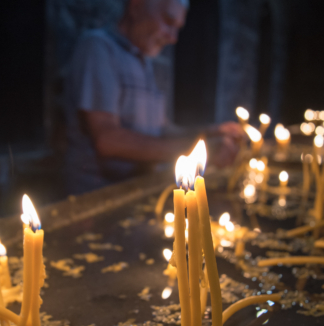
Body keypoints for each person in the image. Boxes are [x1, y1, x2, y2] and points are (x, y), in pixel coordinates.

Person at [63, 0, 244, 194]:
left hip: (136, 191)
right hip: (97, 199)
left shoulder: (144, 63)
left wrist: (210, 132)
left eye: (177, 29)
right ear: (136, 6)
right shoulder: (98, 47)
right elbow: (107, 139)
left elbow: (162, 130)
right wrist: (198, 150)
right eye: (168, 21)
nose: (173, 38)